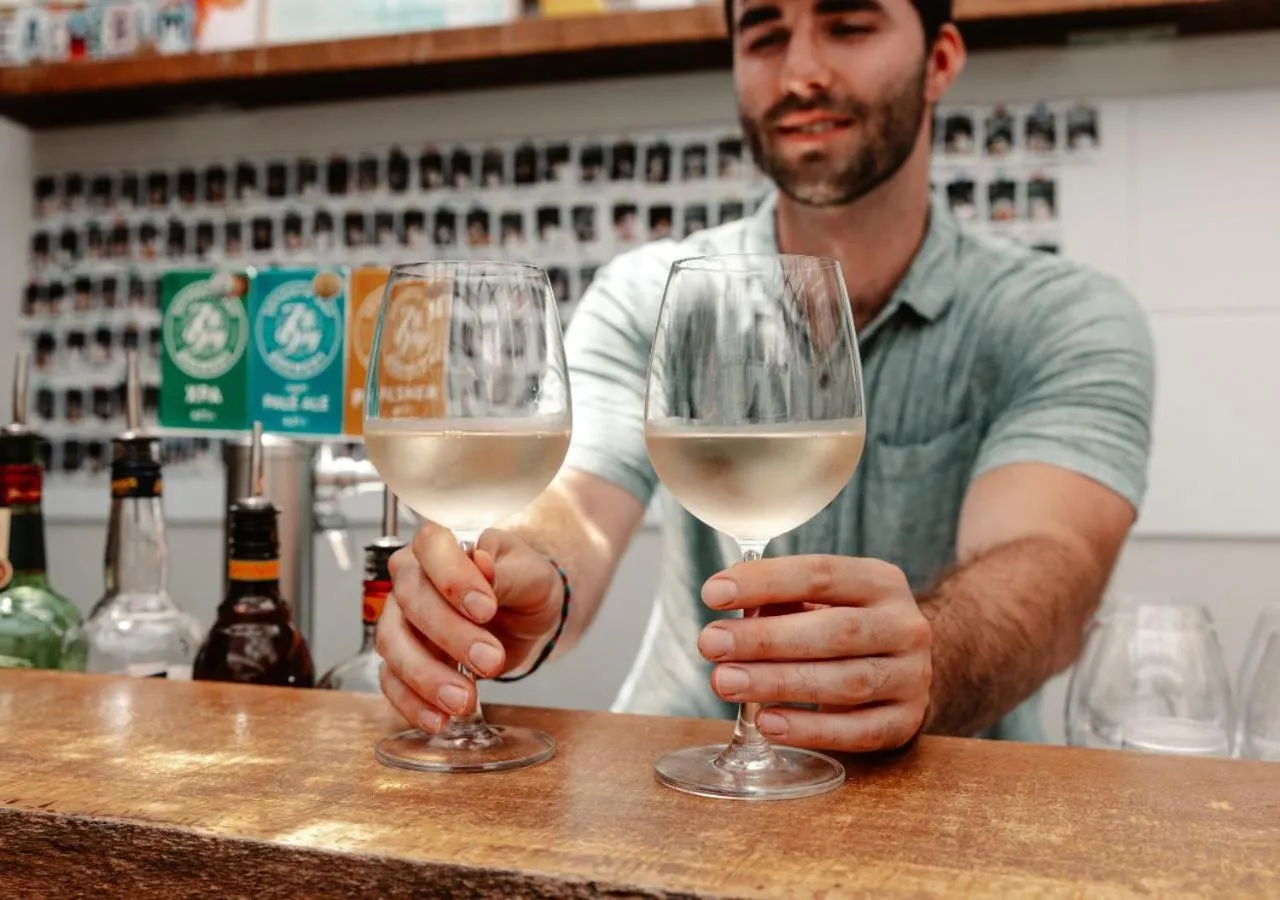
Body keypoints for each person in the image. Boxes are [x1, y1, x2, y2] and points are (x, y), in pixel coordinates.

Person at [377, 0, 1155, 752]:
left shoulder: (1064, 316)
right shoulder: (650, 294)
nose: (801, 72)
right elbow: (576, 506)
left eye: (848, 24)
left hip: (956, 792)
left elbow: (1053, 565)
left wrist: (935, 653)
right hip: (678, 785)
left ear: (940, 61)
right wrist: (531, 575)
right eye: (764, 34)